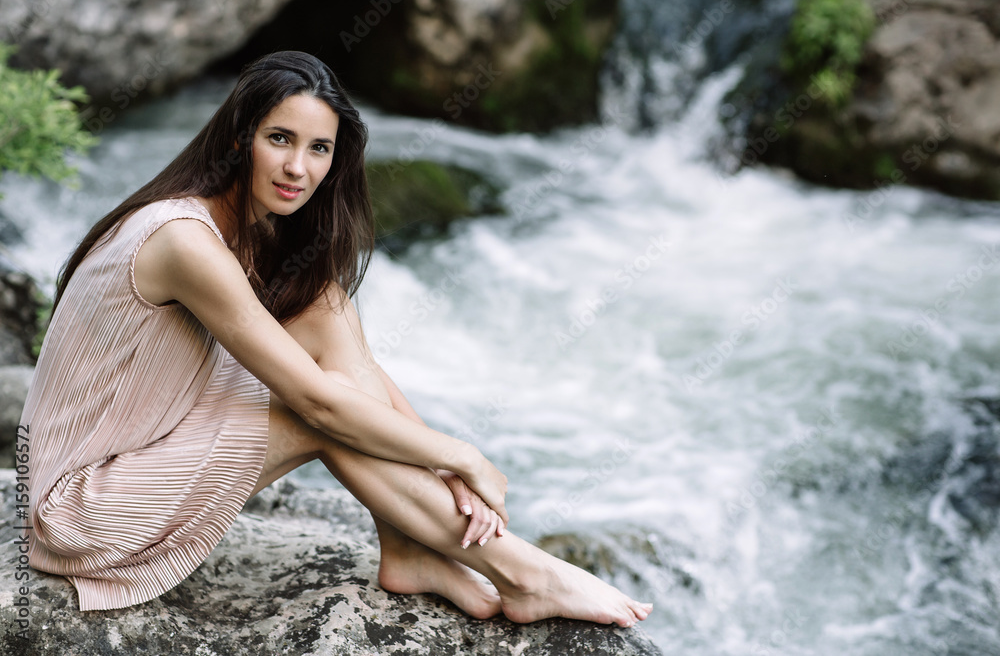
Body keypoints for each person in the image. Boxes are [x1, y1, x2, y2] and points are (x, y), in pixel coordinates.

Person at [24, 51, 653, 628]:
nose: (299, 167)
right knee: (317, 409)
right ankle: (523, 574)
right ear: (240, 139)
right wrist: (466, 458)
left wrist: (436, 463)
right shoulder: (183, 238)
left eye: (319, 148)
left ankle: (408, 546)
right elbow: (321, 405)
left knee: (325, 307)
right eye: (280, 139)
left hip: (148, 441)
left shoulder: (250, 229)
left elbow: (359, 372)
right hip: (81, 510)